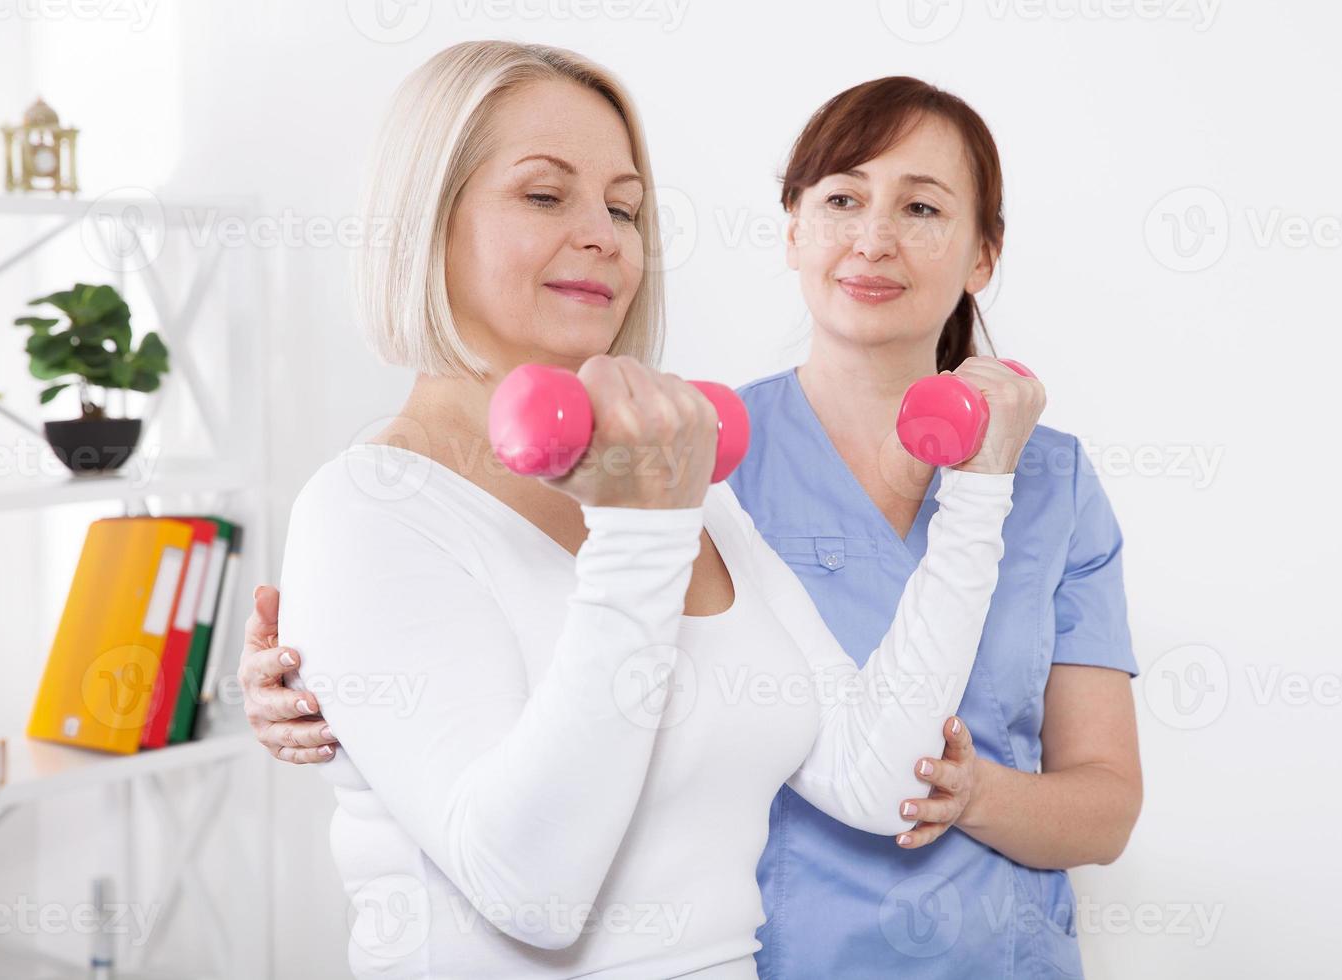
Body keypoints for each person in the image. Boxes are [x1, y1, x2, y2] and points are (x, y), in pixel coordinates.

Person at [256, 41, 1044, 979]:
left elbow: (881, 782)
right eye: (545, 196)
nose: (603, 235)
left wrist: (980, 493)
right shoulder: (368, 508)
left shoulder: (685, 492)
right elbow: (532, 894)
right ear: (426, 223)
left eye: (623, 208)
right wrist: (644, 529)